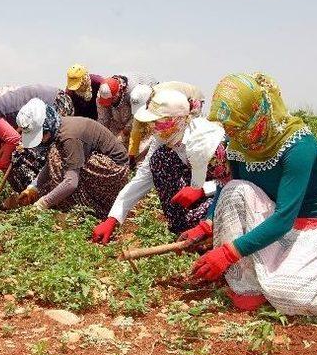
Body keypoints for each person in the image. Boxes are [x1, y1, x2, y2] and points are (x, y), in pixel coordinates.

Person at [183, 72, 317, 315]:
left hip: (314, 227)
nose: (232, 133)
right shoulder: (240, 142)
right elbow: (229, 189)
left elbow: (284, 218)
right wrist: (207, 225)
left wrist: (229, 253)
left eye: (237, 125)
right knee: (233, 189)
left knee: (294, 298)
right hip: (275, 223)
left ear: (258, 114)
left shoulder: (299, 146)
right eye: (229, 126)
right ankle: (248, 285)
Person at [91, 89, 227, 244]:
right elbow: (143, 177)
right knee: (159, 158)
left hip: (219, 194)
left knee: (222, 209)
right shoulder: (163, 137)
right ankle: (181, 226)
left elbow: (236, 182)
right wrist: (113, 218)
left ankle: (209, 229)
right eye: (153, 122)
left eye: (158, 122)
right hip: (193, 192)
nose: (154, 128)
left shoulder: (208, 141)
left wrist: (203, 190)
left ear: (177, 120)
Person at [16, 99, 130, 218]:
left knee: (59, 164)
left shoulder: (68, 138)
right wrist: (33, 187)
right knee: (56, 158)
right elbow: (49, 165)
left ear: (47, 128)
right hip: (106, 165)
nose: (40, 140)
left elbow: (71, 183)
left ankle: (95, 209)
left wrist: (44, 203)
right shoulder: (60, 126)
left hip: (116, 171)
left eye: (40, 136)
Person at [127, 81, 205, 168]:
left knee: (178, 138)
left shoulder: (165, 98)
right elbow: (136, 129)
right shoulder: (151, 101)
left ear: (149, 100)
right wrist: (132, 154)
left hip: (194, 100)